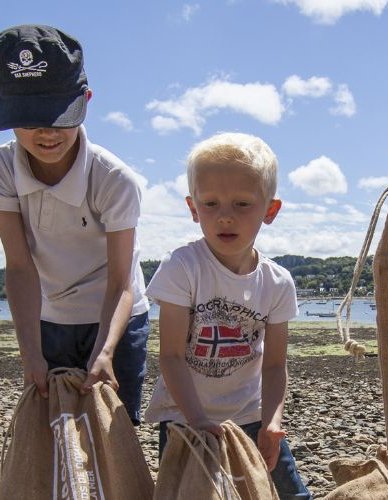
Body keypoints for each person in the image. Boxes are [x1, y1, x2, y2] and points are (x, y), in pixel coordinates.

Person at [144, 132, 312, 499]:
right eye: (211, 203)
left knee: (291, 494)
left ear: (270, 210)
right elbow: (170, 357)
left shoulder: (277, 281)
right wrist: (197, 419)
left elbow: (274, 365)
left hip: (250, 414)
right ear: (193, 208)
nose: (225, 217)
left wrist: (272, 423)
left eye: (241, 204)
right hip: (183, 416)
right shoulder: (182, 267)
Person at [0, 24, 150, 423]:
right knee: (53, 433)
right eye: (30, 119)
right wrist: (31, 353)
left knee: (112, 433)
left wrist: (104, 352)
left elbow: (121, 283)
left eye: (59, 116)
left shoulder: (114, 178)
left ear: (86, 99)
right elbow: (18, 265)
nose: (46, 133)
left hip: (117, 315)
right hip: (49, 315)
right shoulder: (3, 168)